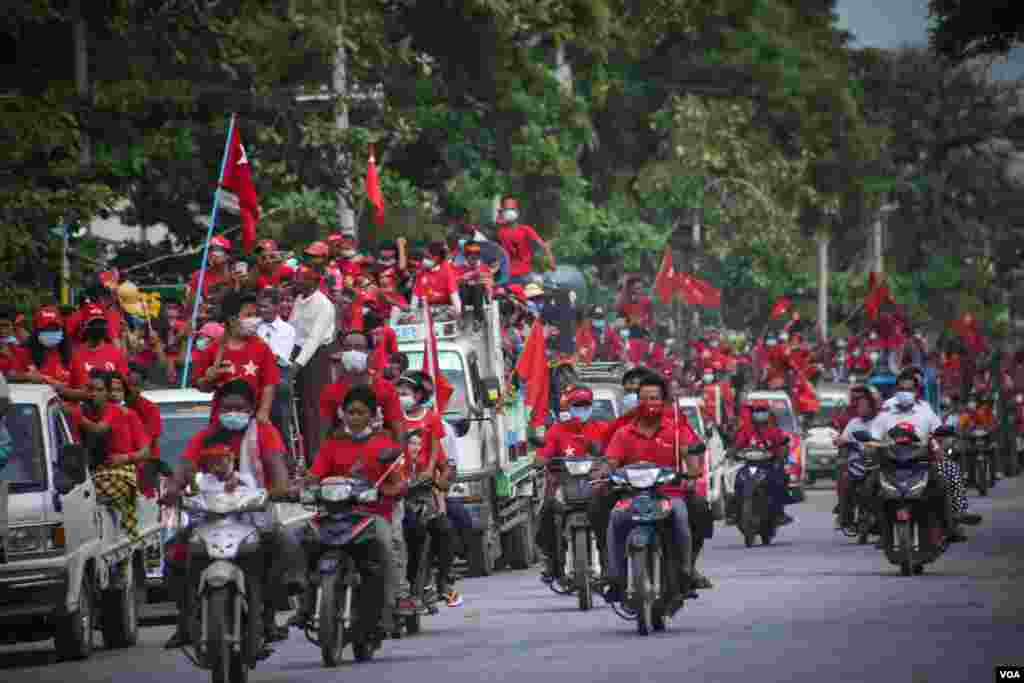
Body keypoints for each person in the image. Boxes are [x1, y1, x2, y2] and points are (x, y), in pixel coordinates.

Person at [160, 379, 300, 649]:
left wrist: (281, 488)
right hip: (210, 517)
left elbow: (276, 466)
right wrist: (174, 490)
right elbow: (184, 468)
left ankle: (267, 616)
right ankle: (187, 621)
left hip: (253, 514)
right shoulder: (206, 436)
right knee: (175, 555)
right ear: (218, 409)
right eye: (227, 408)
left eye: (240, 407)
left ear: (251, 409)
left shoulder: (264, 432)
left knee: (284, 546)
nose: (233, 413)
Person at [288, 386, 400, 644]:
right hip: (333, 514)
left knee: (385, 545)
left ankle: (389, 608)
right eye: (350, 412)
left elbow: (398, 482)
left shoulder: (384, 443)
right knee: (299, 539)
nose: (354, 417)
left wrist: (386, 490)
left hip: (370, 516)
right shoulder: (332, 444)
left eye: (361, 413)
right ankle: (304, 605)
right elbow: (314, 475)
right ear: (342, 414)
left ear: (372, 416)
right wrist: (299, 487)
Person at [601, 373, 699, 604]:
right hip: (632, 496)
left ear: (663, 402)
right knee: (615, 517)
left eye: (655, 398)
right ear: (637, 402)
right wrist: (604, 473)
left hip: (667, 494)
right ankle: (615, 577)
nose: (650, 404)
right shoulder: (623, 433)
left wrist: (692, 471)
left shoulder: (675, 430)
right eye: (644, 399)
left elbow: (690, 456)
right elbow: (610, 462)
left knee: (682, 517)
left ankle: (685, 572)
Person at [872, 367, 981, 540]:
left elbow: (937, 431)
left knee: (949, 471)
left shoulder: (925, 409)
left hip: (921, 460)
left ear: (917, 390)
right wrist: (872, 446)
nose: (905, 393)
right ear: (896, 390)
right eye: (902, 389)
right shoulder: (887, 408)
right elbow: (875, 434)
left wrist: (938, 447)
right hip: (892, 460)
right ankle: (878, 524)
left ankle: (955, 517)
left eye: (909, 389)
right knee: (870, 481)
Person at [534, 387, 608, 583]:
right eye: (577, 406)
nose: (581, 410)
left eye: (585, 405)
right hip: (563, 485)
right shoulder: (557, 430)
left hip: (595, 485)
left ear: (591, 407)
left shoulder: (602, 429)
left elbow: (614, 453)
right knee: (546, 513)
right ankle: (550, 561)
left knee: (613, 513)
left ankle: (612, 561)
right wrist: (540, 459)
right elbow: (544, 453)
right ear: (570, 407)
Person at [68, 370, 152, 538]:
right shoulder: (81, 411)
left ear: (107, 393)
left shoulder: (118, 412)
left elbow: (145, 451)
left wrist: (126, 458)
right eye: (90, 389)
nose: (94, 394)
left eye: (99, 390)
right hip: (91, 475)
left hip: (119, 474)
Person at [192, 291, 279, 426]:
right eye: (249, 315)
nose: (256, 320)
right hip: (221, 421)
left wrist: (264, 411)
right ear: (232, 320)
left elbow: (269, 384)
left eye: (256, 315)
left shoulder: (262, 348)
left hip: (253, 421)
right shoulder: (213, 349)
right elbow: (202, 387)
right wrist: (208, 379)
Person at [288, 265, 337, 460]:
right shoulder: (299, 299)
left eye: (302, 278)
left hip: (316, 356)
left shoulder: (324, 304)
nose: (296, 281)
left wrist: (296, 365)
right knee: (302, 409)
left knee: (314, 408)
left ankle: (318, 456)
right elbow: (293, 330)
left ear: (315, 282)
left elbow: (314, 339)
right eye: (296, 277)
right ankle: (305, 455)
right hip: (298, 354)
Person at [319, 330, 403, 442]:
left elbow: (398, 432)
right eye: (347, 348)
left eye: (358, 347)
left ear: (369, 352)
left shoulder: (386, 389)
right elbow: (325, 434)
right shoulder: (330, 391)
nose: (352, 352)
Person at [730, 400, 794, 527]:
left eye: (762, 411)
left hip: (769, 465)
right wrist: (732, 452)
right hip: (749, 464)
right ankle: (733, 513)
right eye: (757, 411)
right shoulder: (746, 430)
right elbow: (738, 444)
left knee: (779, 479)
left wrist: (780, 456)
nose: (760, 414)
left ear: (768, 413)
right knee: (738, 480)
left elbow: (782, 445)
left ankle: (779, 513)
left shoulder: (774, 430)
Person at [256, 289, 297, 456]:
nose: (261, 310)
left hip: (278, 373)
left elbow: (279, 356)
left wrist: (259, 349)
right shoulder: (255, 327)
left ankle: (285, 459)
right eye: (259, 307)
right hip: (257, 373)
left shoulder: (287, 329)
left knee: (280, 394)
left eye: (265, 307)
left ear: (276, 307)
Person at [833, 385, 880, 529]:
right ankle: (845, 517)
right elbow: (842, 439)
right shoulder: (854, 422)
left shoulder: (880, 421)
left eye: (864, 406)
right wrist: (842, 441)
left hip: (877, 464)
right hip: (857, 463)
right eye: (859, 406)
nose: (860, 409)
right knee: (845, 481)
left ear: (872, 406)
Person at [65, 304, 130, 403]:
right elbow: (72, 386)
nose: (99, 327)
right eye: (94, 324)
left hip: (112, 409)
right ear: (85, 326)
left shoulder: (115, 353)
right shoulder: (76, 354)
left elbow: (124, 384)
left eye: (101, 323)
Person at [495, 197, 555, 284]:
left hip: (525, 275)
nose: (509, 212)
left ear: (517, 212)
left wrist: (550, 260)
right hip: (508, 276)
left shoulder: (526, 230)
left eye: (512, 209)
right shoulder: (500, 232)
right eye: (506, 209)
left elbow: (543, 246)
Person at [411, 241, 462, 315]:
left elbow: (454, 294)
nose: (425, 260)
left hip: (444, 306)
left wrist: (459, 313)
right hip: (426, 307)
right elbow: (415, 295)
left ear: (438, 257)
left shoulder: (447, 270)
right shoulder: (421, 270)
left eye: (429, 257)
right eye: (426, 257)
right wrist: (412, 314)